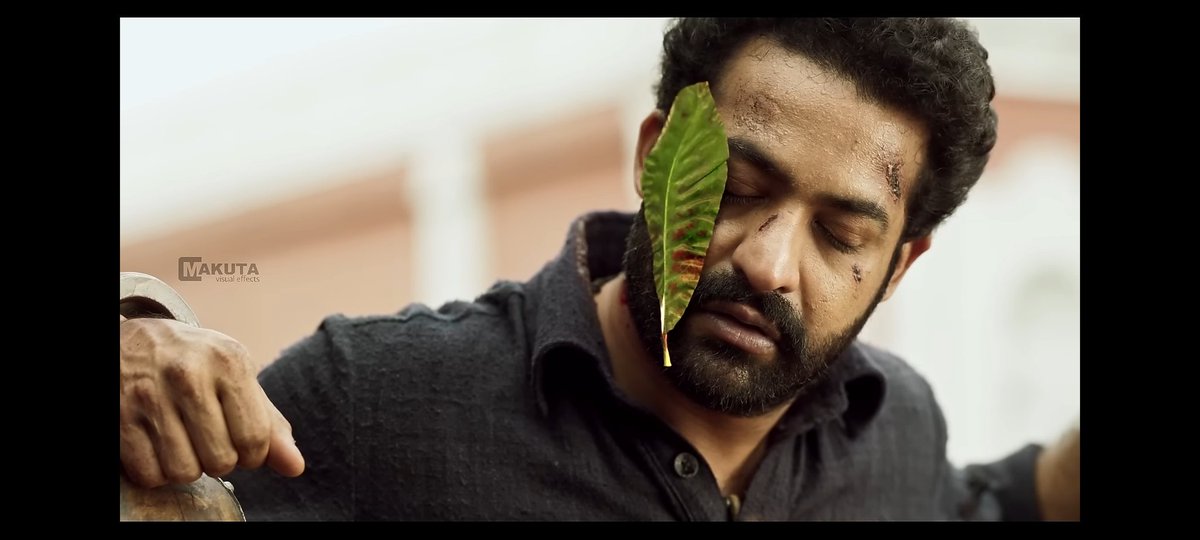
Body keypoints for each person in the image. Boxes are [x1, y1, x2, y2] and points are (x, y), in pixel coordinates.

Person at [118, 17, 1080, 521]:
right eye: (736, 186)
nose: (768, 263)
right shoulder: (374, 398)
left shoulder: (891, 425)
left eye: (840, 236)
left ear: (900, 266)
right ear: (656, 156)